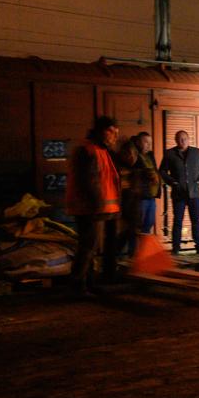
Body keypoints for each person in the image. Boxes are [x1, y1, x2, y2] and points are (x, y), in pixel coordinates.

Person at [66, 115, 121, 295]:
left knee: (91, 246)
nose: (114, 137)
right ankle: (78, 285)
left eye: (116, 133)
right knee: (88, 246)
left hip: (96, 208)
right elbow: (90, 181)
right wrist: (98, 205)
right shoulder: (88, 150)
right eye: (111, 132)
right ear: (101, 131)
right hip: (89, 208)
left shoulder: (99, 150)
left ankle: (88, 283)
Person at [159, 130, 199, 255]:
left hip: (194, 194)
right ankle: (176, 248)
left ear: (188, 139)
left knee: (195, 221)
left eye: (185, 139)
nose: (182, 141)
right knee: (177, 221)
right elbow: (162, 171)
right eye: (180, 139)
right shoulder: (170, 154)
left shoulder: (197, 152)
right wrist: (173, 182)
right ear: (176, 140)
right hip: (178, 194)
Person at [132, 132, 161, 234]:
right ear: (138, 142)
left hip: (151, 195)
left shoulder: (150, 155)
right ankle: (134, 249)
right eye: (145, 142)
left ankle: (145, 248)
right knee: (138, 225)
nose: (149, 145)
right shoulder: (134, 155)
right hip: (141, 196)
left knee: (149, 223)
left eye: (150, 142)